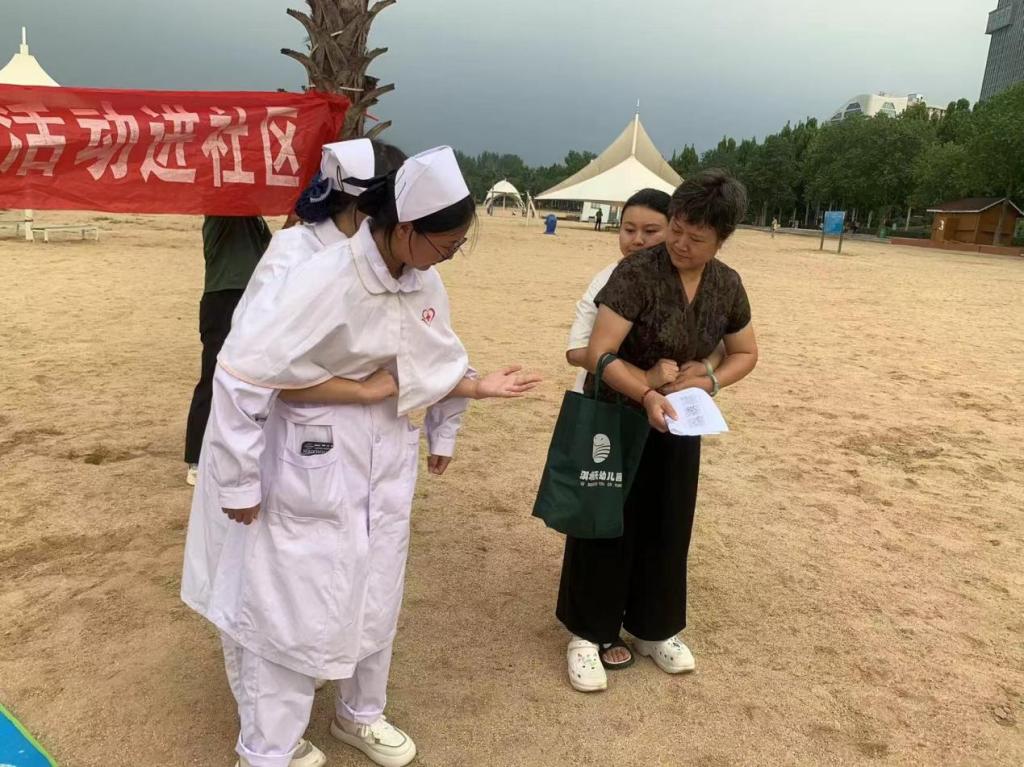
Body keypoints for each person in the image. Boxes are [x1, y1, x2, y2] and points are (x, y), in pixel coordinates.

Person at [181, 146, 540, 767]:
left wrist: (458, 412)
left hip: (384, 459)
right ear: (404, 228)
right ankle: (267, 749)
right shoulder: (318, 273)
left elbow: (436, 356)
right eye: (447, 244)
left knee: (375, 592)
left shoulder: (422, 279)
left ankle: (360, 713)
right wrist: (238, 482)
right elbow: (242, 374)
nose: (450, 256)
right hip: (313, 457)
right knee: (290, 609)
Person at [556, 169, 758, 693]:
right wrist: (644, 392)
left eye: (697, 238)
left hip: (679, 422)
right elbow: (599, 352)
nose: (681, 244)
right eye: (678, 229)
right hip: (616, 416)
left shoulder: (726, 284)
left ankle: (654, 627)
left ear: (722, 239)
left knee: (668, 522)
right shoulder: (636, 273)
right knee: (603, 521)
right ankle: (587, 632)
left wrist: (710, 379)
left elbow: (745, 352)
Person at [565, 188, 725, 397]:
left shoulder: (698, 278)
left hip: (677, 401)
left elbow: (720, 343)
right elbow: (577, 351)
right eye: (629, 230)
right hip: (609, 401)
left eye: (650, 231)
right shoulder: (607, 279)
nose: (637, 240)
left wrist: (705, 367)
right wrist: (645, 378)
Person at [184, 216, 271, 486]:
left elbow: (269, 254)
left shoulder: (257, 220)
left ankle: (246, 446)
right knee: (214, 376)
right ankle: (197, 457)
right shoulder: (222, 210)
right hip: (223, 297)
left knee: (256, 377)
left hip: (253, 297)